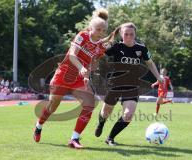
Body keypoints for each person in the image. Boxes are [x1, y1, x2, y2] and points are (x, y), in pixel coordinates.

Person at [33, 8, 116, 149]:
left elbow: (91, 62)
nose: (101, 32)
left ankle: (74, 139)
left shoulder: (101, 46)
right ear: (90, 28)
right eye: (98, 29)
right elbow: (72, 54)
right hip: (63, 75)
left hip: (78, 79)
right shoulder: (82, 36)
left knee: (90, 104)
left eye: (103, 30)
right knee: (53, 107)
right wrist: (81, 68)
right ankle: (39, 125)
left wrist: (87, 74)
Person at [94, 22, 163, 146]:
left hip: (132, 86)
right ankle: (101, 123)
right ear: (121, 34)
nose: (129, 37)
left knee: (128, 115)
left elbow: (150, 63)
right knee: (106, 112)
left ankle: (110, 138)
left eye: (131, 34)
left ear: (135, 34)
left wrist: (158, 77)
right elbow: (99, 56)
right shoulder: (115, 47)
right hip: (115, 84)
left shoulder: (141, 49)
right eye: (126, 34)